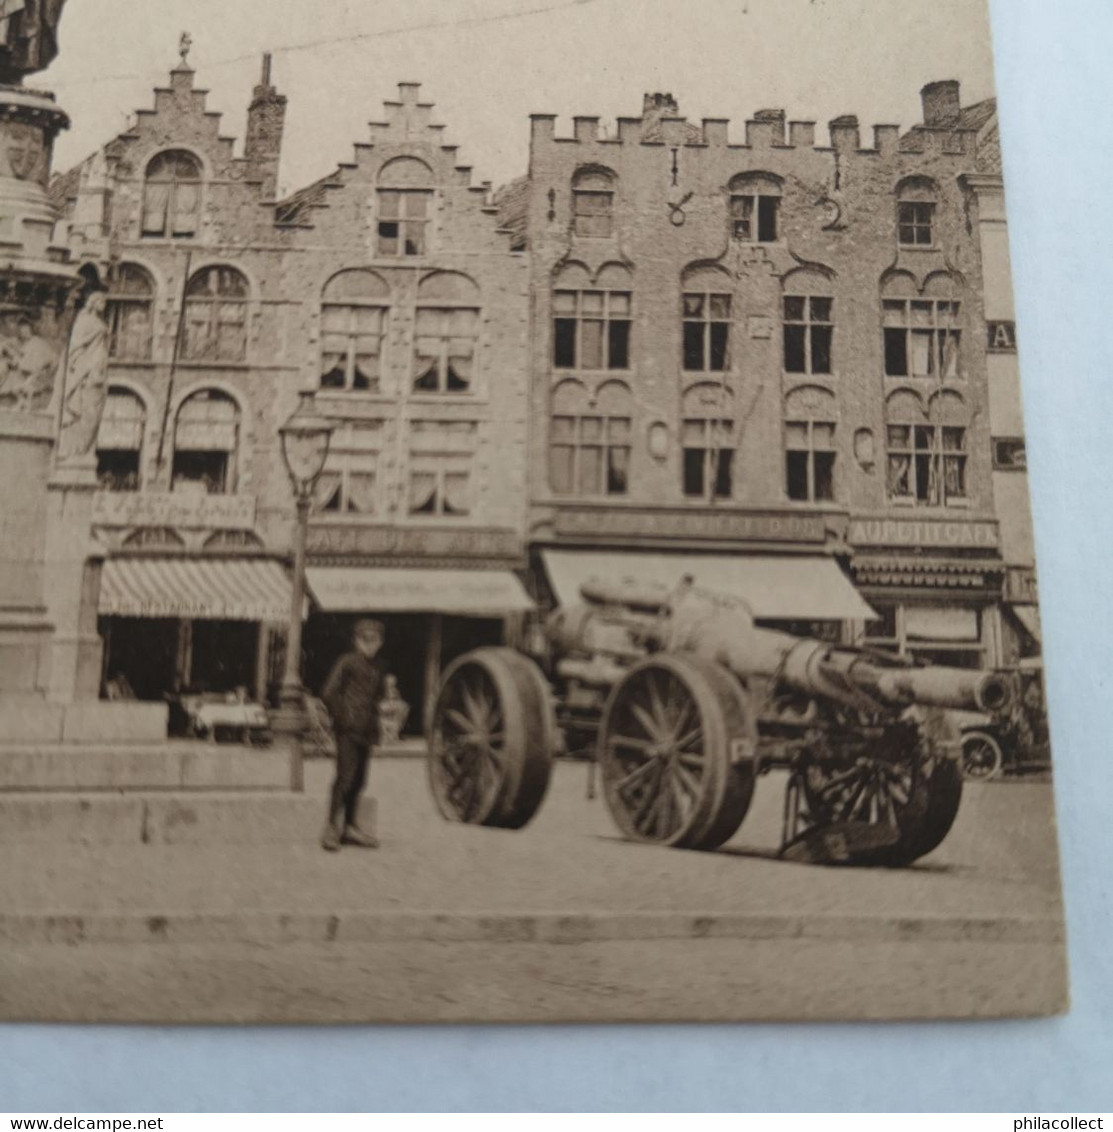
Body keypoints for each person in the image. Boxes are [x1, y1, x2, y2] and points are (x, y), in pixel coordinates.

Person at [319, 618, 384, 852]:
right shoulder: (347, 662)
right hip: (348, 731)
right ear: (356, 641)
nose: (370, 645)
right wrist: (343, 718)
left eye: (374, 640)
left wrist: (375, 727)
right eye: (365, 640)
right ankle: (331, 829)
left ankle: (350, 827)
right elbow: (328, 693)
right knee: (344, 779)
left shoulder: (376, 668)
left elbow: (376, 700)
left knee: (359, 780)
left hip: (366, 731)